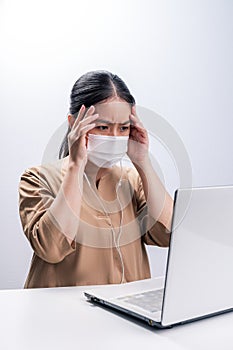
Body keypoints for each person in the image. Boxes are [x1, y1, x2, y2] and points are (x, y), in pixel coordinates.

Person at [18, 70, 173, 288]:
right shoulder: (37, 179)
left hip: (126, 313)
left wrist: (142, 161)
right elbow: (51, 249)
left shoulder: (131, 179)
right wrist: (75, 165)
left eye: (123, 128)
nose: (114, 137)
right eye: (102, 127)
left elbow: (169, 234)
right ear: (74, 123)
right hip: (59, 314)